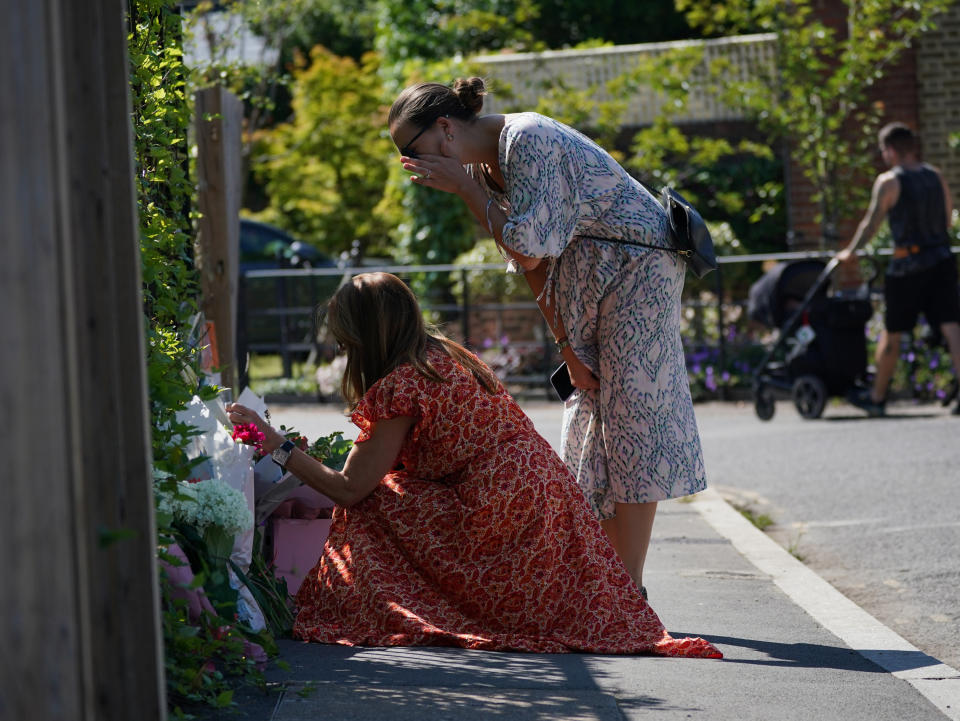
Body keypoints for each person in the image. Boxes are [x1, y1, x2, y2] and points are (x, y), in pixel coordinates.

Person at [227, 272, 720, 657]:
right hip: (542, 490)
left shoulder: (401, 384)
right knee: (392, 488)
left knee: (372, 506)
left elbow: (350, 487)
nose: (339, 348)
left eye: (344, 338)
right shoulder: (443, 355)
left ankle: (378, 610)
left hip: (494, 509)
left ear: (365, 337)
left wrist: (278, 445)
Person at [387, 77, 707, 596]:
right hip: (589, 279)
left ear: (444, 128)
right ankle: (613, 584)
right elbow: (529, 265)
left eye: (409, 148)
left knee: (629, 417)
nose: (409, 162)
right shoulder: (484, 166)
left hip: (639, 269)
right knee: (592, 418)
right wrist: (567, 348)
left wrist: (469, 192)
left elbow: (530, 249)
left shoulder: (528, 139)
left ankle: (627, 589)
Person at [837, 122, 960, 417]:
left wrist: (850, 252)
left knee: (892, 333)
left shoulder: (889, 181)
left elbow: (871, 222)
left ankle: (877, 397)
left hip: (907, 265)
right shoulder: (935, 175)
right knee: (952, 326)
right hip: (942, 259)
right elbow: (946, 219)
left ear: (890, 150)